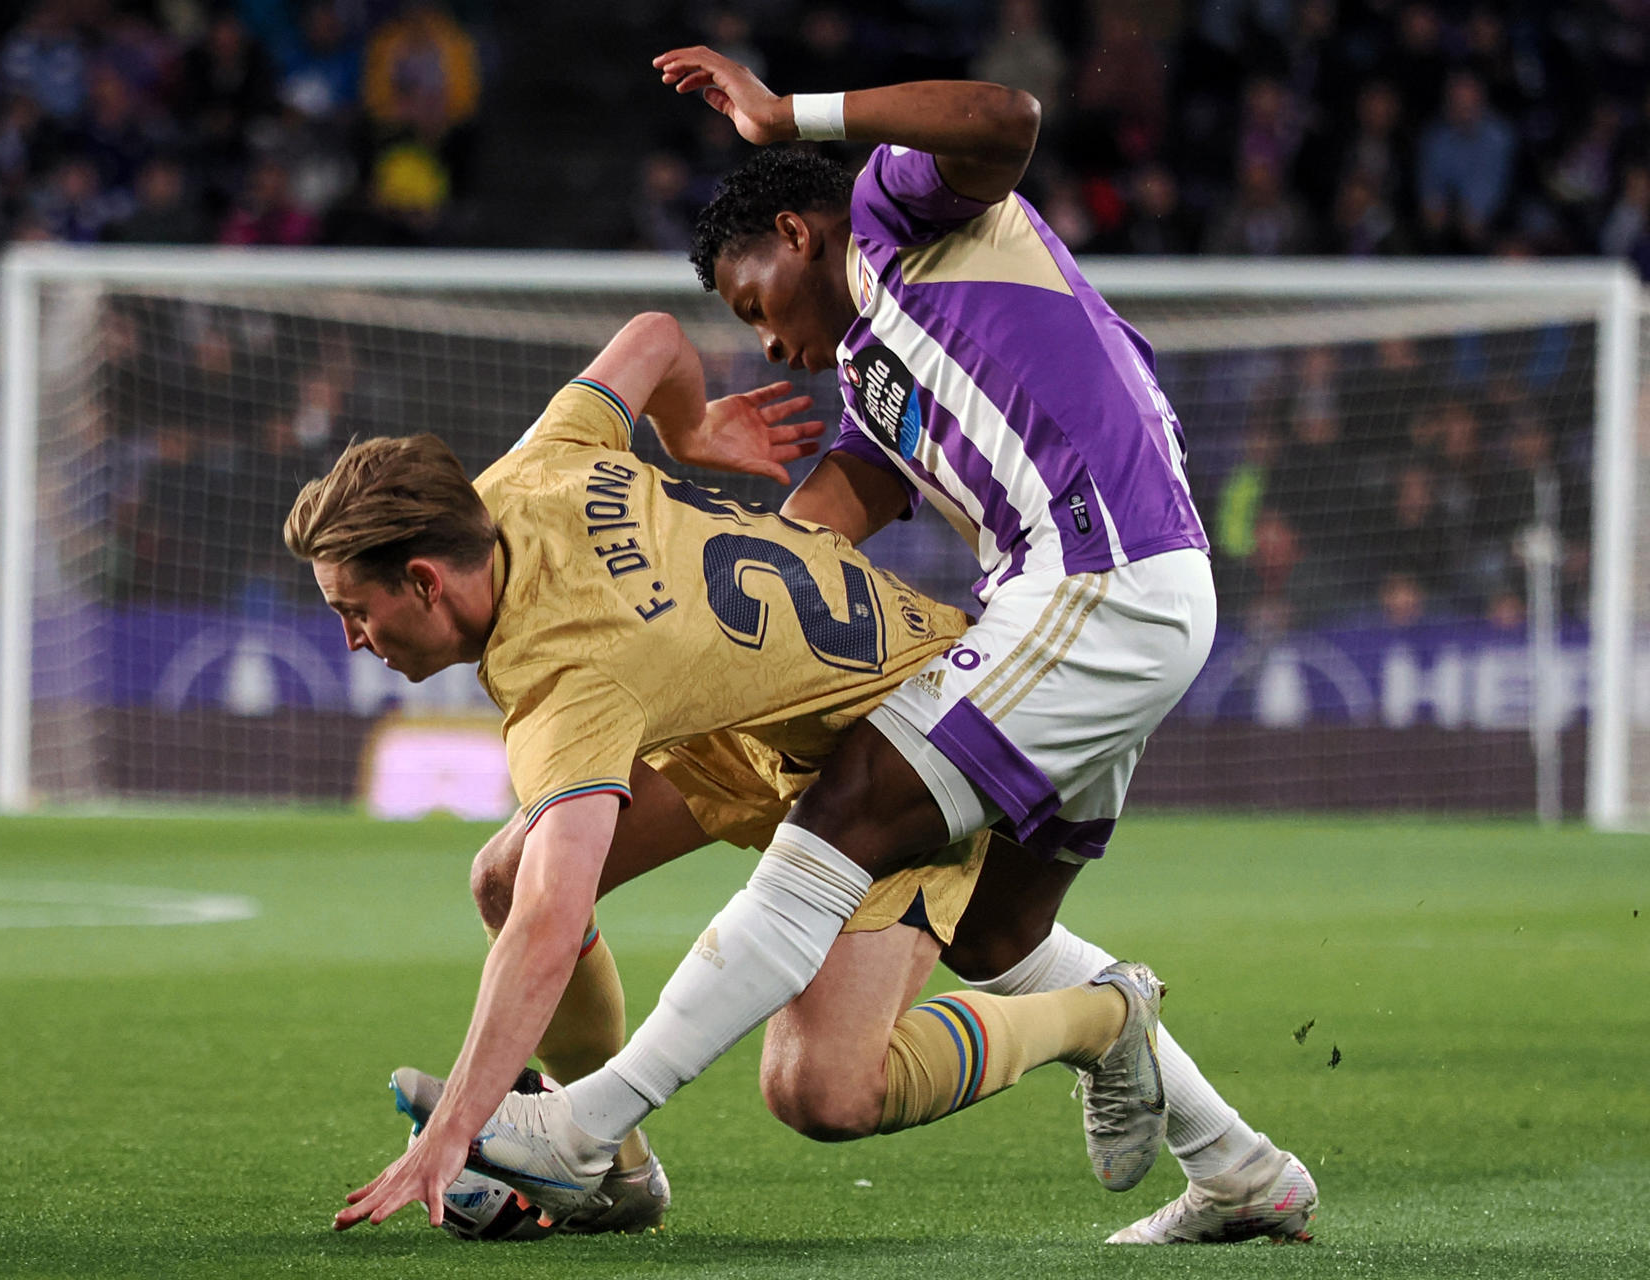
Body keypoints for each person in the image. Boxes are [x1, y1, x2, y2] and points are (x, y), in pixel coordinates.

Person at [441, 47, 1318, 1247]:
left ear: (796, 232)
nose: (764, 344)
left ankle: (588, 1120)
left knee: (845, 815)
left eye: (751, 302)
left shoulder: (898, 218)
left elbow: (1005, 114)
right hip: (1109, 606)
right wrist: (687, 553)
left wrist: (779, 114)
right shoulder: (879, 383)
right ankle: (1238, 1167)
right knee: (998, 934)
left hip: (1098, 578)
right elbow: (804, 541)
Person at [294, 312, 1171, 1234]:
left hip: (909, 744)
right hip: (760, 719)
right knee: (507, 877)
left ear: (428, 581)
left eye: (356, 610)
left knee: (824, 1092)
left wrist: (457, 1131)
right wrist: (689, 427)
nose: (353, 639)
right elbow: (655, 338)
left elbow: (555, 926)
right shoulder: (532, 464)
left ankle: (1103, 1021)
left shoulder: (566, 675)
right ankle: (611, 1175)